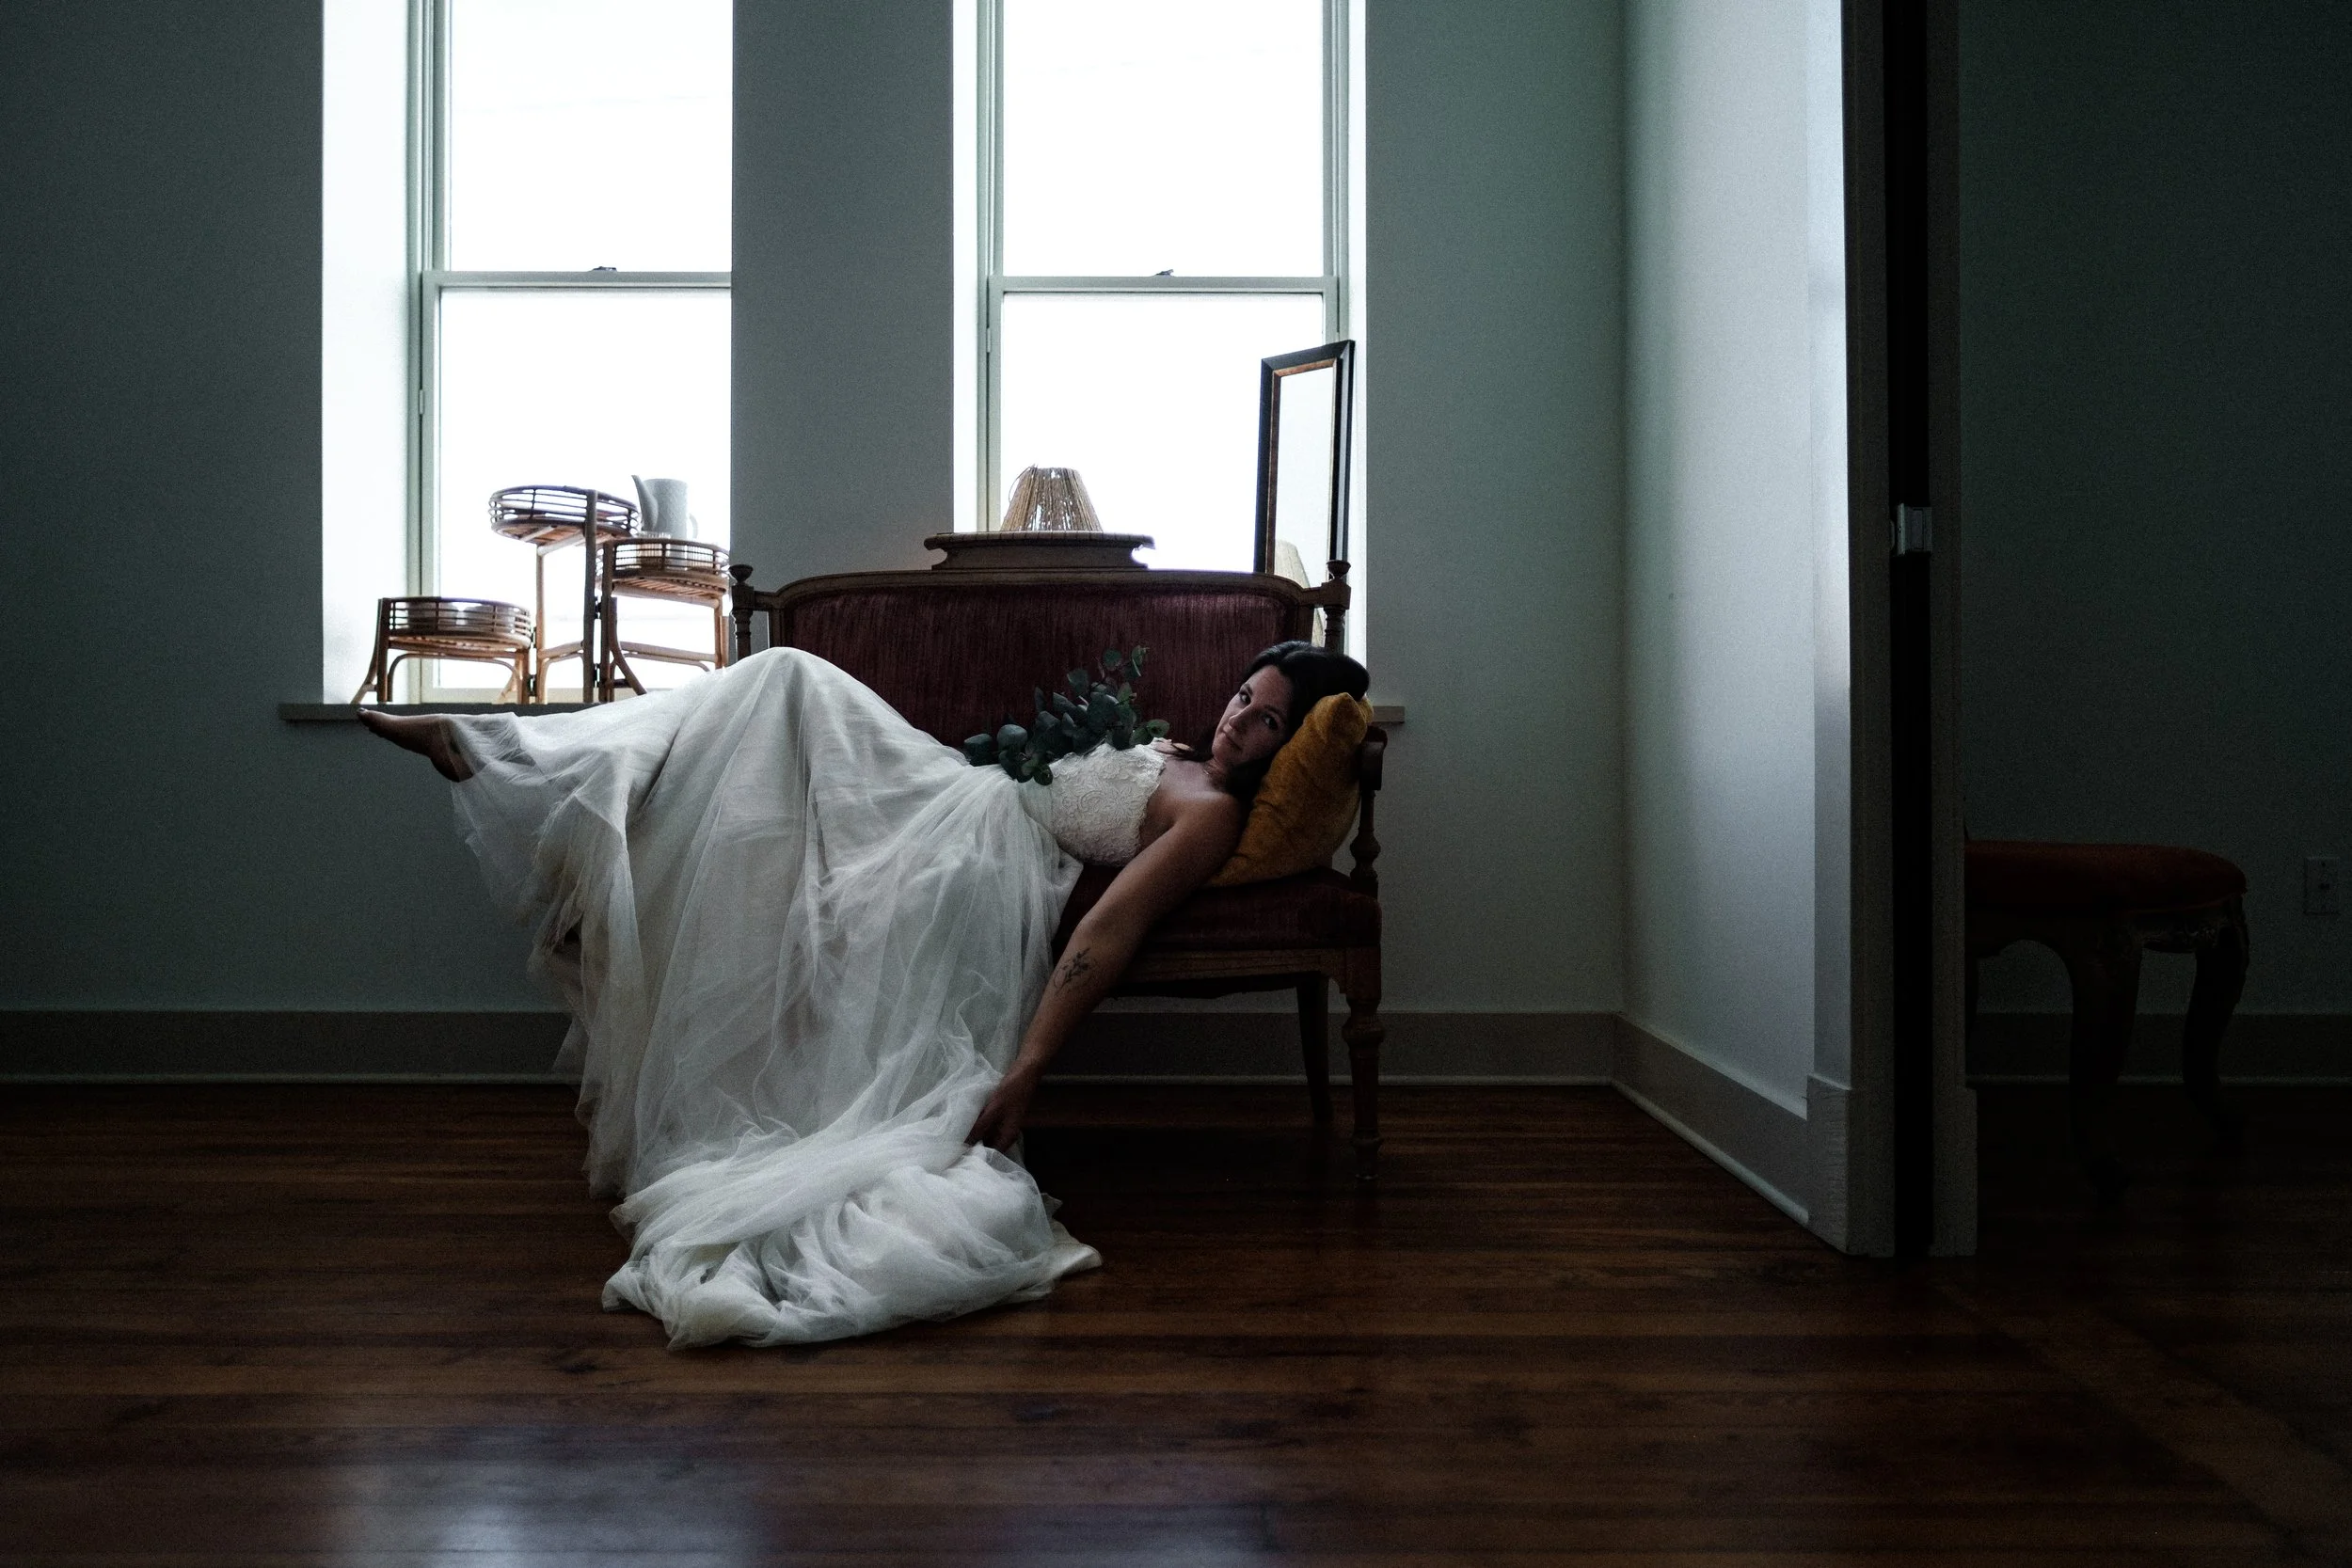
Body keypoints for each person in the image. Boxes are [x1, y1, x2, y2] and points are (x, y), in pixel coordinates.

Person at [361, 639, 1370, 1348]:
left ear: (1291, 746)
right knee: (764, 730)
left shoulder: (1205, 817)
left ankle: (511, 756)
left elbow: (1109, 928)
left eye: (1269, 719)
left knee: (787, 680)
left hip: (979, 842)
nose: (1241, 717)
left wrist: (1028, 1066)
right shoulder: (1179, 752)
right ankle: (549, 787)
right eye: (1245, 695)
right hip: (956, 790)